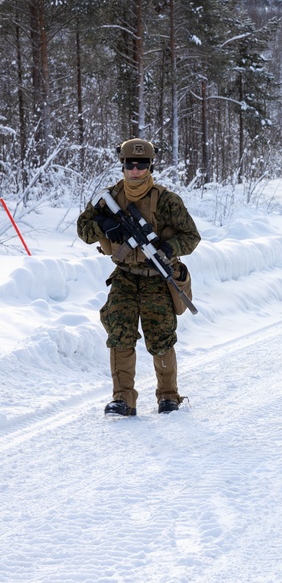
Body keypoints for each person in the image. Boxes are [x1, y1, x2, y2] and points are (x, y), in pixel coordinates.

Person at [77, 138, 201, 416]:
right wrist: (103, 225)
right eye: (129, 164)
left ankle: (168, 396)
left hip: (157, 277)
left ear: (150, 165)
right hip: (125, 276)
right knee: (119, 334)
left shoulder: (167, 200)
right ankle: (123, 399)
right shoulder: (107, 198)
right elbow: (83, 229)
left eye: (141, 165)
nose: (135, 170)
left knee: (160, 338)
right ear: (122, 165)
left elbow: (192, 237)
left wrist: (169, 248)